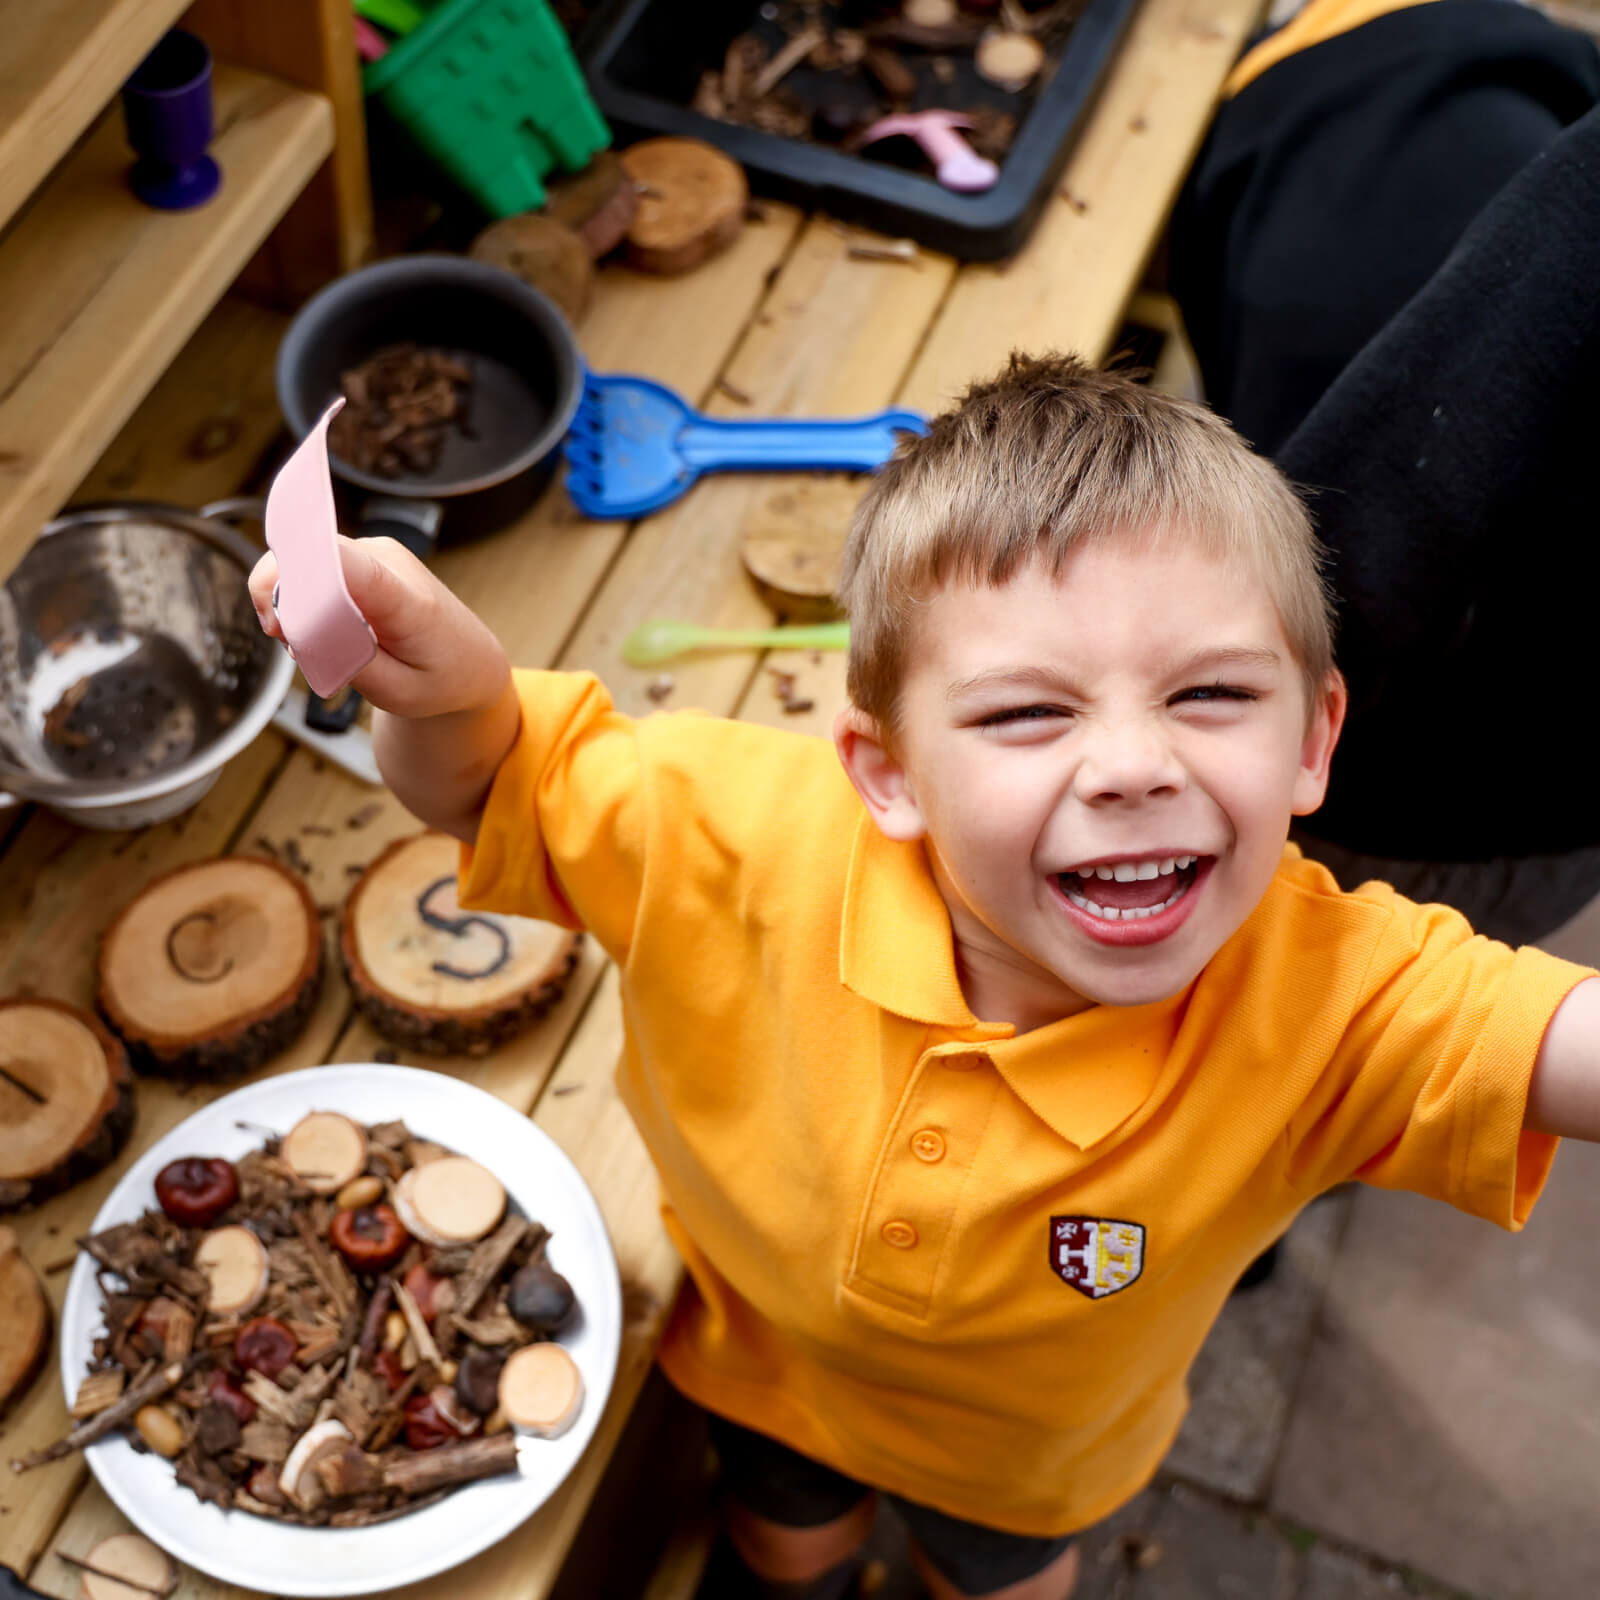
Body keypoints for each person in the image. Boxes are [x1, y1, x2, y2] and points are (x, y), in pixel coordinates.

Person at [252, 355, 1600, 1600]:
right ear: (887, 769)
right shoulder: (732, 830)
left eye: (1211, 697)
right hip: (756, 1370)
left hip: (1036, 1470)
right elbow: (496, 782)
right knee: (785, 1547)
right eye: (1027, 711)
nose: (1134, 766)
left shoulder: (1340, 999)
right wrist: (447, 700)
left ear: (1313, 740)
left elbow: (1562, 1043)